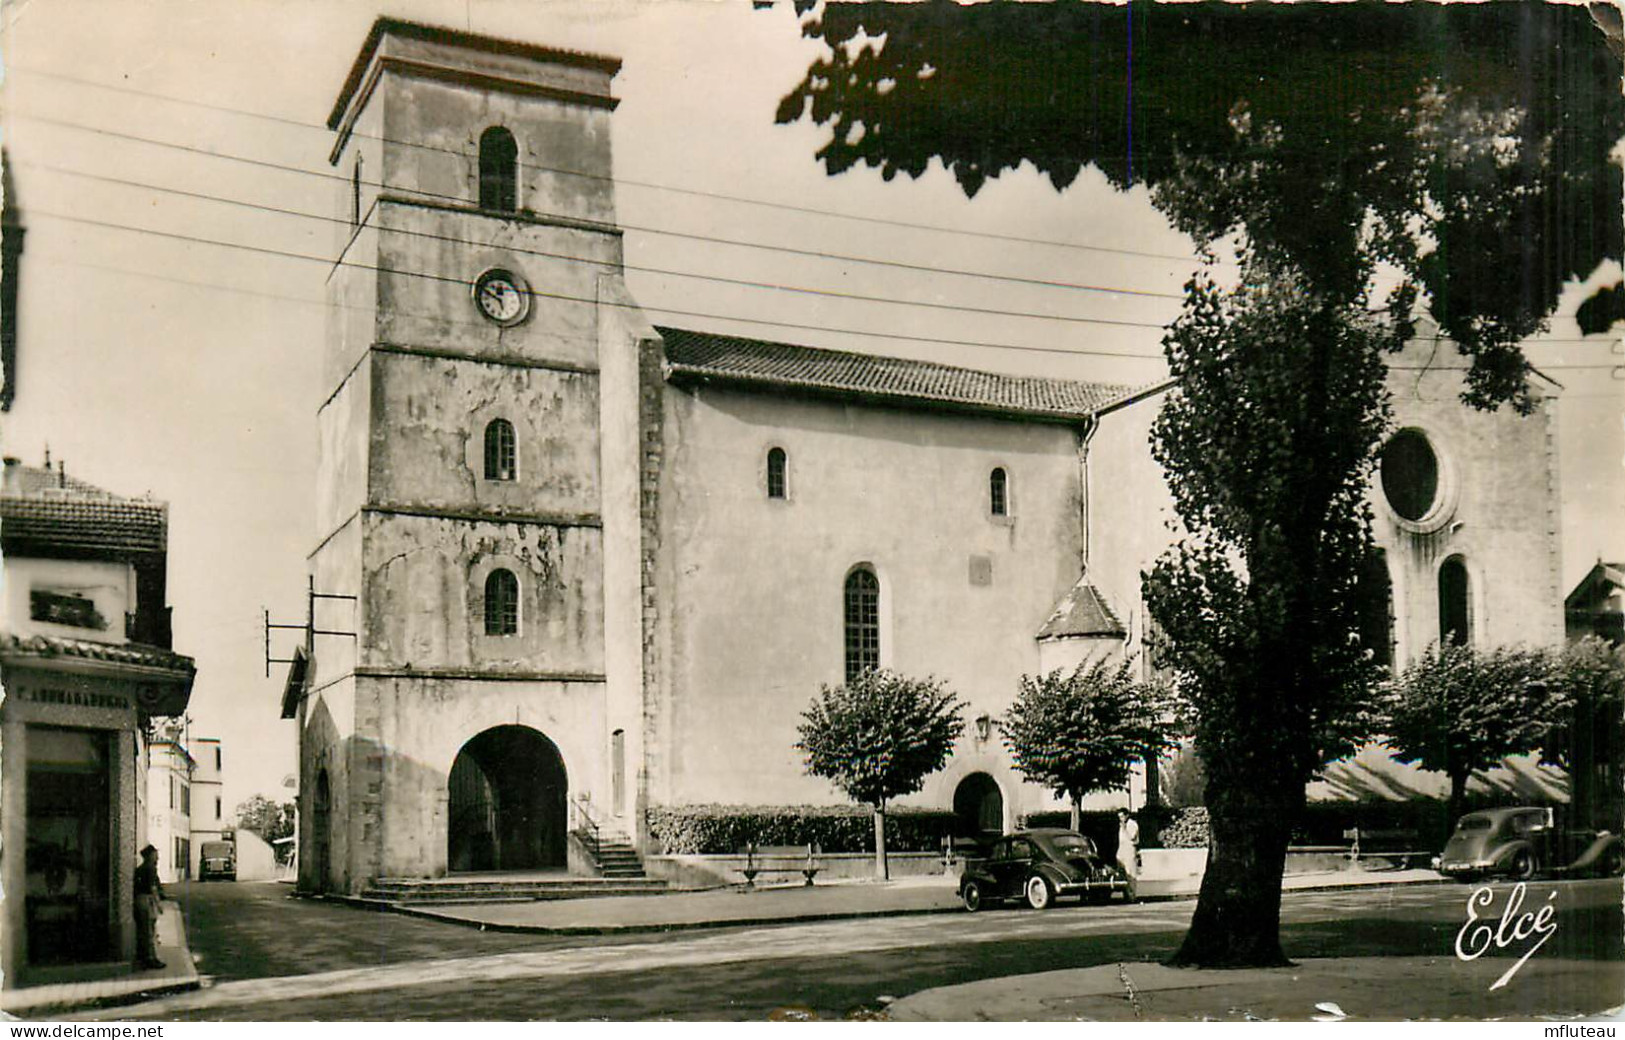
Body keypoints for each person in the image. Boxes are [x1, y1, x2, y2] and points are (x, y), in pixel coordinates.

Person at [133, 844, 165, 970]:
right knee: (149, 930)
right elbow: (153, 888)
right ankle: (150, 958)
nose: (158, 856)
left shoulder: (141, 868)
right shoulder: (150, 869)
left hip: (139, 899)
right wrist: (158, 904)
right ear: (150, 855)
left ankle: (143, 957)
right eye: (155, 854)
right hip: (146, 900)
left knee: (144, 929)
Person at [1116, 808, 1140, 898]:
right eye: (1119, 817)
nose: (1121, 818)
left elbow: (1131, 837)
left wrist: (1124, 829)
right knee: (1122, 872)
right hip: (1122, 849)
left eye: (1122, 816)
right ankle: (1125, 893)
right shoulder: (1122, 825)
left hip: (1129, 849)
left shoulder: (1132, 824)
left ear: (1127, 815)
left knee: (1130, 872)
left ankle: (1132, 894)